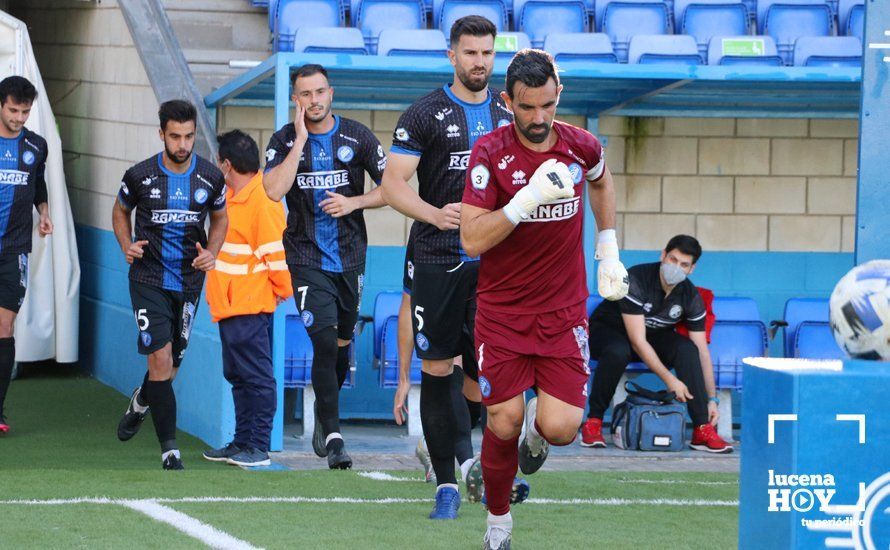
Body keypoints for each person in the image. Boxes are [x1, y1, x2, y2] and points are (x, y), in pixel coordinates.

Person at [460, 49, 628, 549]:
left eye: (547, 106)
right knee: (503, 418)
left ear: (560, 97)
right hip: (502, 313)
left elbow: (601, 180)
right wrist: (524, 201)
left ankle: (537, 435)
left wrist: (608, 246)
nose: (538, 119)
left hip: (562, 312)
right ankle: (497, 526)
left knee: (559, 429)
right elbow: (471, 240)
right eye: (526, 107)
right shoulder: (489, 153)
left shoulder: (582, 146)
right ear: (506, 100)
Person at [381, 15, 513, 519]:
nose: (479, 62)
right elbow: (393, 184)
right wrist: (435, 214)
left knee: (484, 378)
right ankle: (446, 484)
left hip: (496, 262)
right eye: (470, 53)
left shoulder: (508, 111)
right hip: (438, 259)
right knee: (438, 369)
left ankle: (473, 463)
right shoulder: (424, 113)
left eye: (486, 53)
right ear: (451, 55)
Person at [263, 64, 387, 470]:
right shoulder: (283, 140)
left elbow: (394, 188)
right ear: (294, 100)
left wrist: (354, 202)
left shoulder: (358, 136)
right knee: (321, 340)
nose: (313, 100)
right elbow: (273, 190)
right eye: (305, 94)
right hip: (304, 258)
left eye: (319, 92)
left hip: (351, 258)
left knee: (340, 345)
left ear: (330, 93)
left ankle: (324, 418)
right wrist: (299, 141)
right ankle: (334, 438)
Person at [113, 100, 228, 470]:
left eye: (189, 136)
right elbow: (119, 211)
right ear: (161, 133)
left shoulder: (210, 177)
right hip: (147, 279)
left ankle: (142, 400)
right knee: (160, 359)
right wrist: (126, 244)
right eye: (175, 136)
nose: (183, 144)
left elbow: (221, 217)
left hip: (189, 281)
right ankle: (169, 449)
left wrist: (212, 251)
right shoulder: (140, 175)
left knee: (170, 367)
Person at [581, 235, 732, 454]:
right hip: (609, 331)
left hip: (650, 335)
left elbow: (702, 352)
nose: (676, 267)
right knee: (618, 351)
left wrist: (711, 398)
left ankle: (701, 429)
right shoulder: (637, 279)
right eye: (672, 259)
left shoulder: (690, 295)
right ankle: (593, 422)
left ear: (692, 269)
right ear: (663, 255)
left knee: (687, 349)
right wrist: (670, 380)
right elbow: (637, 341)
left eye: (684, 264)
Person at [203, 130, 292, 467]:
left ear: (226, 165)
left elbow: (277, 256)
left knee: (256, 378)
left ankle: (257, 446)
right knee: (239, 376)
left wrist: (282, 291)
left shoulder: (261, 200)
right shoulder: (230, 197)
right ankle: (242, 443)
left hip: (250, 308)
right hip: (230, 306)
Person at [0, 76, 54, 435]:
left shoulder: (36, 145)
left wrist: (45, 211)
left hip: (14, 249)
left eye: (25, 111)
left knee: (4, 326)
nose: (19, 117)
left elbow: (38, 183)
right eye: (13, 110)